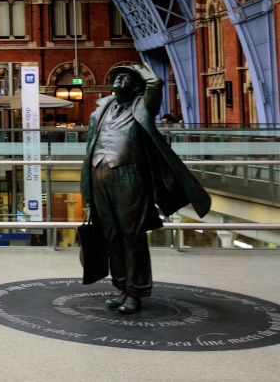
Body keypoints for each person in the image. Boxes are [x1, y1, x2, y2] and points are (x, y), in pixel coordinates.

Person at [81, 63, 211, 314]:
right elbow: (88, 152)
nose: (119, 78)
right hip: (99, 177)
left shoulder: (143, 107)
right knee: (112, 236)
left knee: (133, 236)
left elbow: (156, 84)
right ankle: (121, 287)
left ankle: (136, 291)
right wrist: (86, 191)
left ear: (137, 86)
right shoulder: (99, 112)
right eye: (117, 75)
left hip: (130, 176)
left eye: (126, 77)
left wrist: (139, 69)